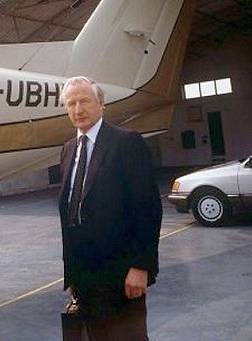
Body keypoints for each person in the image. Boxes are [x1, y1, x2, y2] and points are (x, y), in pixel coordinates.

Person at [58, 76, 162, 340]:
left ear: (101, 104)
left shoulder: (126, 142)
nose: (78, 109)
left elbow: (148, 207)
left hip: (122, 272)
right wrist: (72, 273)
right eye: (71, 103)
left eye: (84, 101)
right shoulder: (69, 150)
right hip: (85, 275)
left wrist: (141, 265)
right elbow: (71, 212)